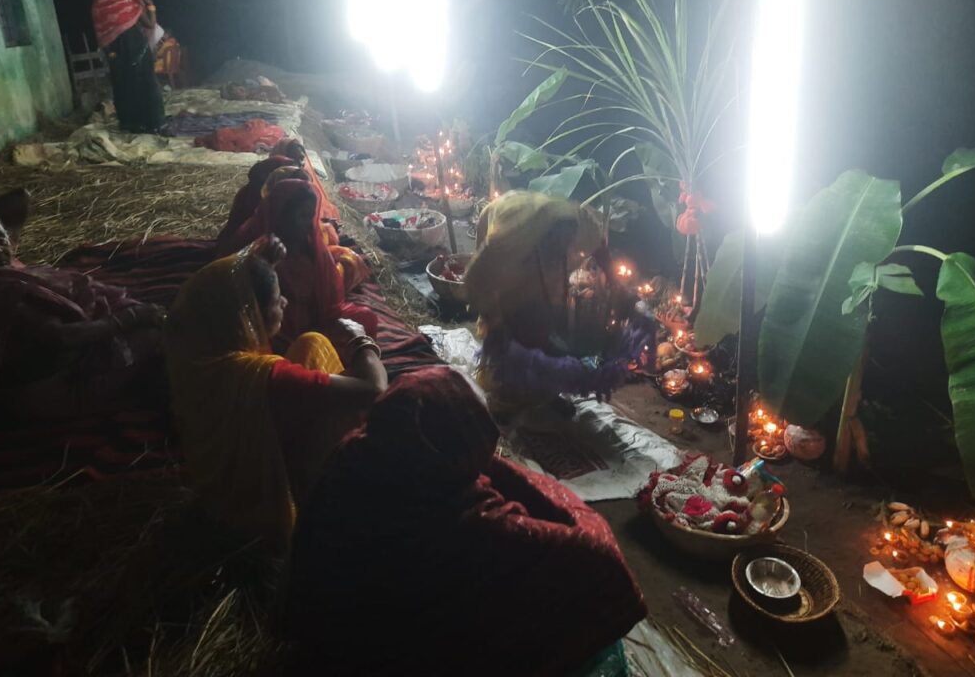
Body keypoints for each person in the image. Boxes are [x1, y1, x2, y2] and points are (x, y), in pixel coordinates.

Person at [286, 366, 647, 676]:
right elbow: (599, 554)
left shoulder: (356, 453)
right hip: (397, 655)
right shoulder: (472, 521)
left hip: (325, 635)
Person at [164, 236, 387, 551]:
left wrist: (262, 265)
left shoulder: (196, 352)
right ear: (249, 315)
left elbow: (229, 284)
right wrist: (362, 341)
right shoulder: (264, 377)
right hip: (261, 507)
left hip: (225, 477)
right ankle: (324, 485)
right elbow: (373, 389)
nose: (284, 303)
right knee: (329, 369)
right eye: (275, 300)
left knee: (311, 344)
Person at [464, 191, 646, 415]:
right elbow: (476, 281)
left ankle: (544, 392)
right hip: (508, 244)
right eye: (556, 244)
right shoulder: (508, 241)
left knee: (546, 320)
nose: (564, 247)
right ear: (542, 239)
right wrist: (495, 322)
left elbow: (598, 244)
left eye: (566, 242)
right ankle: (504, 392)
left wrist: (615, 282)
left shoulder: (577, 223)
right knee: (512, 326)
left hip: (537, 252)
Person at [0, 210, 165, 425]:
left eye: (0, 239)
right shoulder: (2, 293)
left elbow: (18, 201)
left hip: (61, 365)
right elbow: (61, 338)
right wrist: (130, 317)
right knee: (158, 339)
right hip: (50, 387)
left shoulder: (9, 275)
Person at [218, 180, 377, 352]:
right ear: (282, 215)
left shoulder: (310, 245)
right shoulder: (253, 243)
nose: (309, 225)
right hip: (273, 326)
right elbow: (240, 302)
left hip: (312, 323)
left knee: (364, 319)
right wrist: (267, 264)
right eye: (302, 216)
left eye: (311, 216)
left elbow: (331, 300)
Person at [91, 0, 165, 133]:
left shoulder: (130, 1)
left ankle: (154, 123)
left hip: (138, 50)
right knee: (124, 87)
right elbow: (102, 34)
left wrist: (150, 6)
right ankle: (132, 124)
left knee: (146, 84)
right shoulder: (99, 6)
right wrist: (110, 54)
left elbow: (149, 24)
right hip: (117, 55)